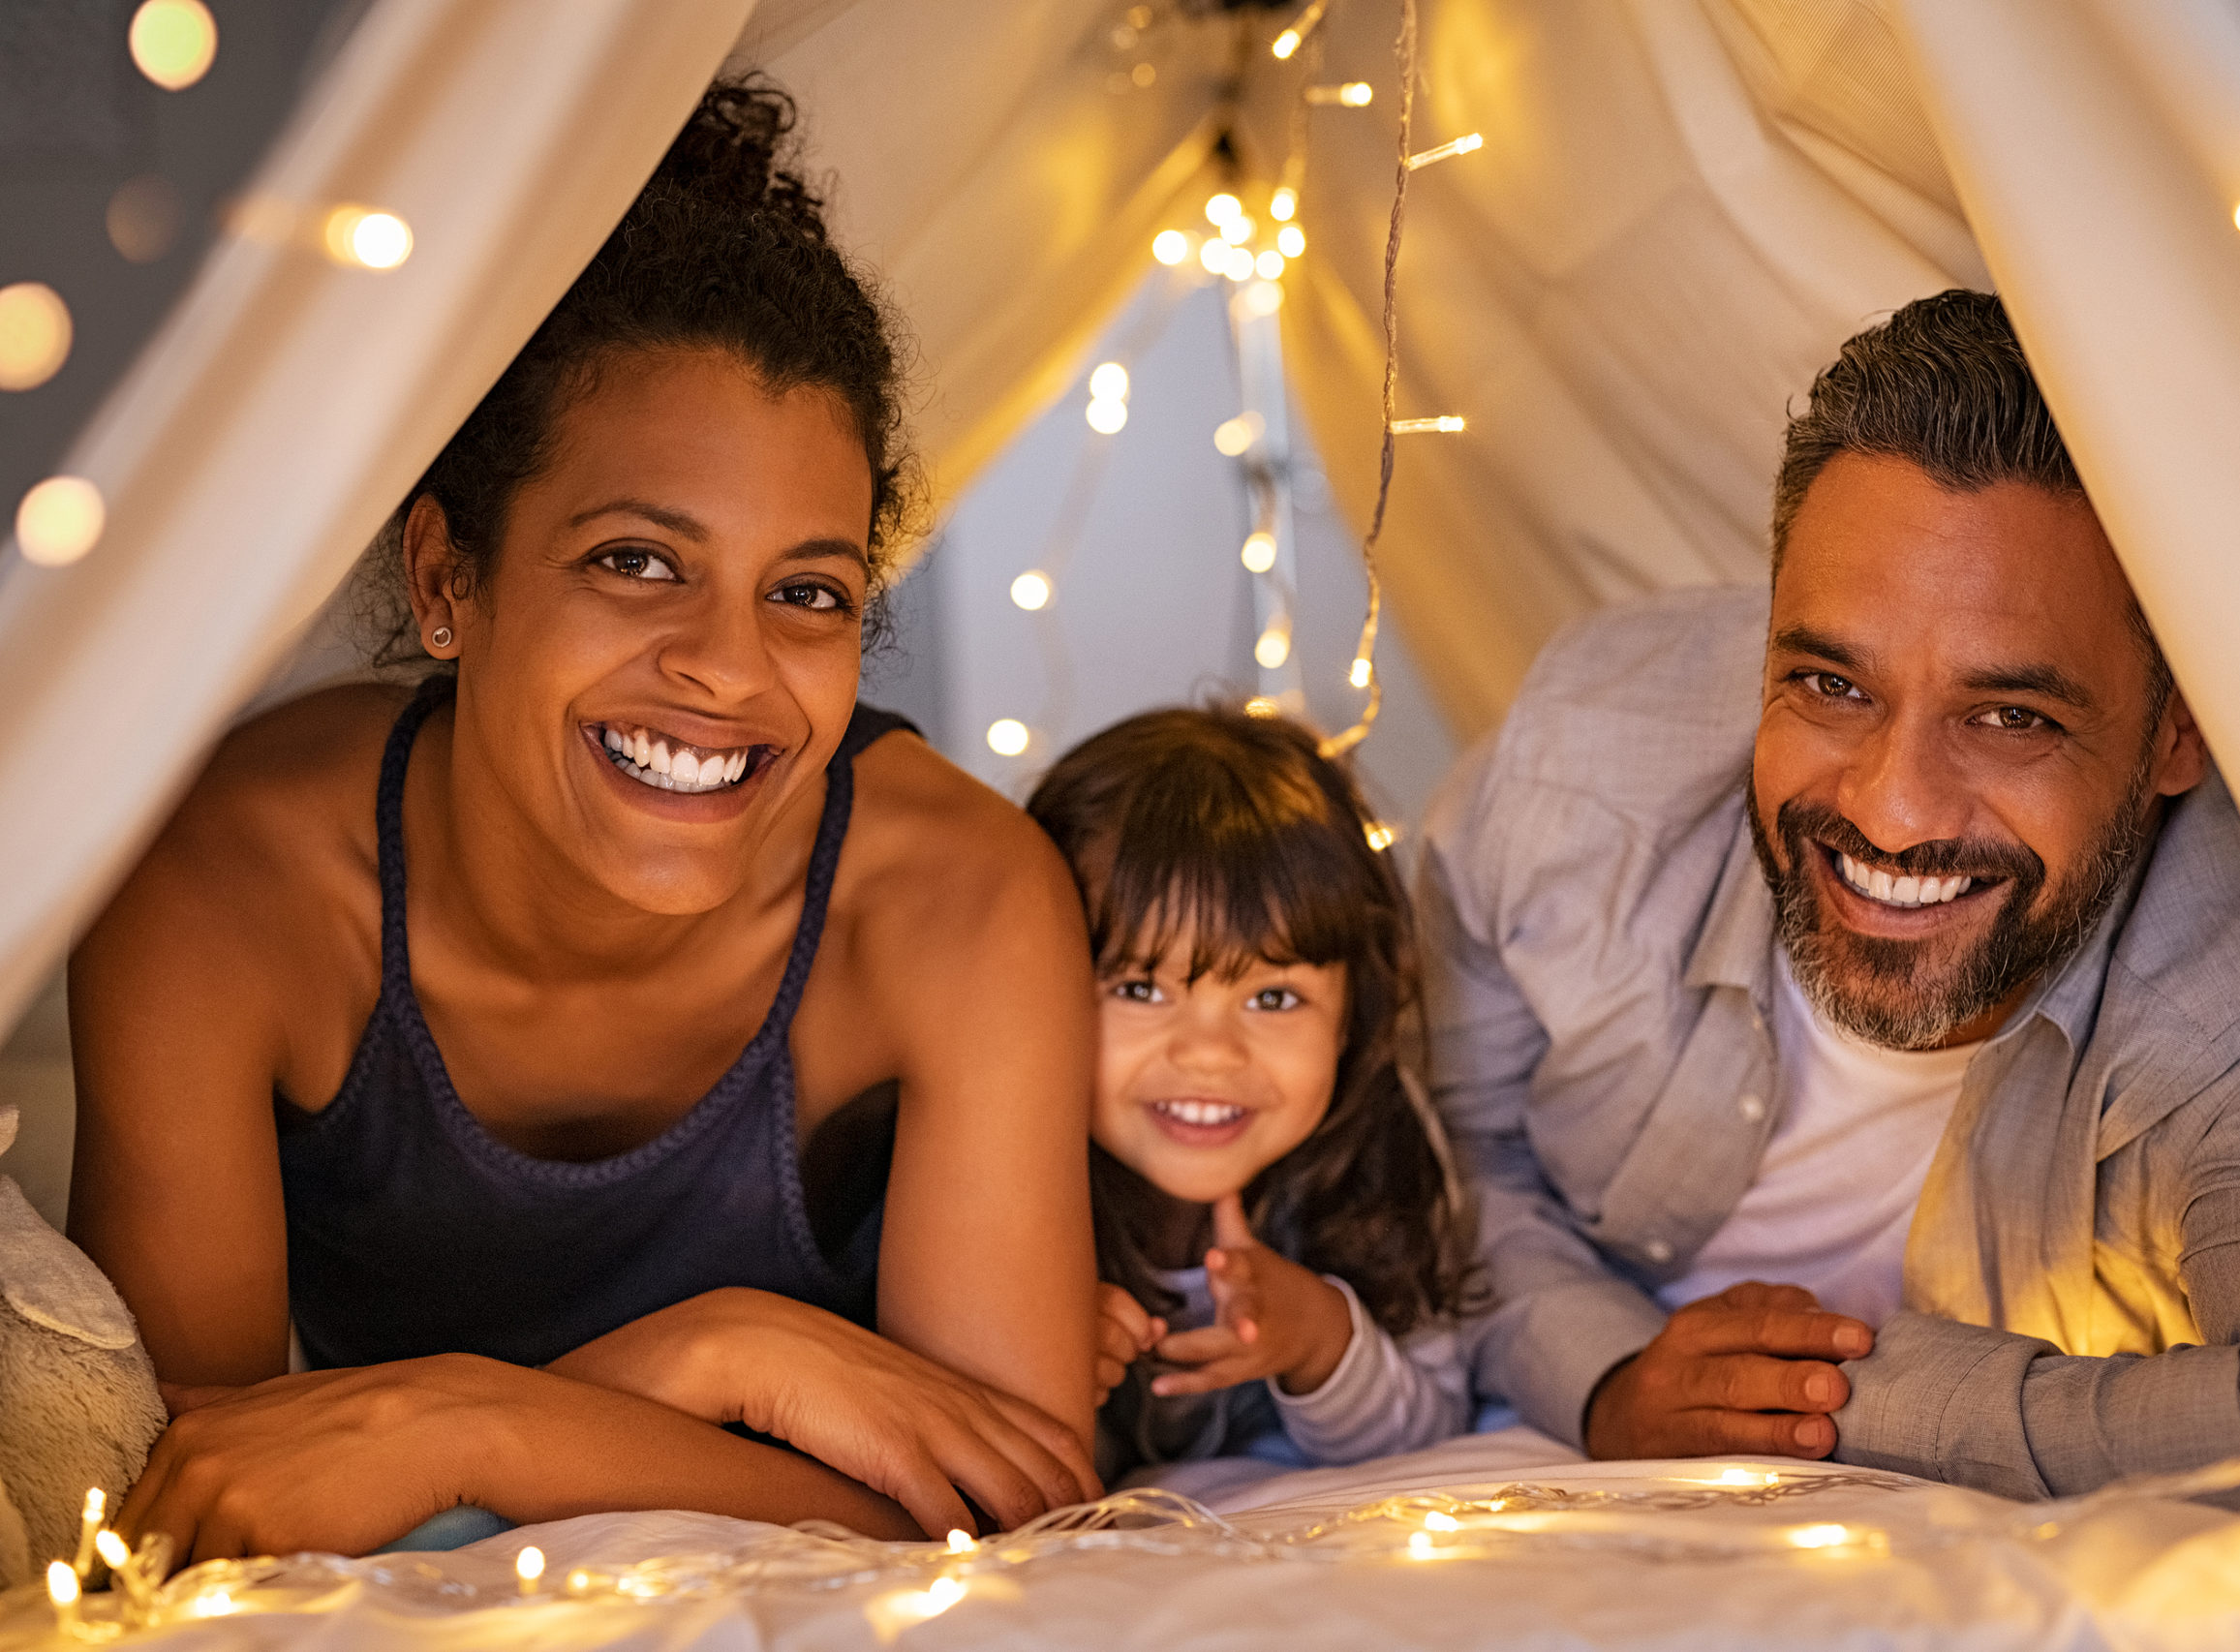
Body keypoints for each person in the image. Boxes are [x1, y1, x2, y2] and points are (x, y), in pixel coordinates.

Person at [67, 81, 1101, 1559]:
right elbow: (198, 1485)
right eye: (635, 560)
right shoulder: (226, 889)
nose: (730, 668)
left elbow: (1022, 1507)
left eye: (806, 592)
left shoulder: (957, 899)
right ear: (445, 582)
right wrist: (713, 1365)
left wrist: (464, 1423)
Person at [1419, 290, 2240, 1498]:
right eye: (1829, 683)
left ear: (2179, 728)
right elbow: (1443, 1156)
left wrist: (1827, 1402)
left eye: (2010, 716)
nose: (1892, 805)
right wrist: (1605, 1376)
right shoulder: (1586, 756)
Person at [1026, 709, 1472, 1482]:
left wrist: (1321, 1341)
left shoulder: (1380, 1150)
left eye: (1272, 999)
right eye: (1139, 986)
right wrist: (1046, 1377)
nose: (1208, 1053)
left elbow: (1434, 1431)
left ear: (1350, 1017)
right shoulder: (997, 1172)